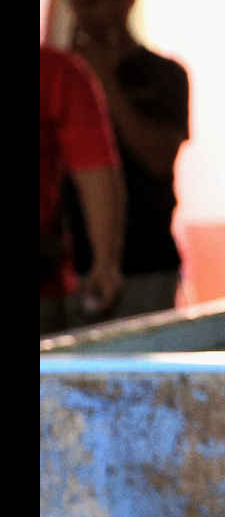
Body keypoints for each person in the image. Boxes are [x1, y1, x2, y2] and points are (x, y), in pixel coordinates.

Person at [63, 0, 188, 320]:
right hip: (71, 268)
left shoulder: (164, 75)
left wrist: (101, 83)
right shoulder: (61, 81)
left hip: (146, 262)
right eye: (76, 4)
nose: (83, 17)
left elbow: (158, 159)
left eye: (94, 3)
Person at [39, 44, 124, 336]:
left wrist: (104, 262)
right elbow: (95, 167)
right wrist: (105, 262)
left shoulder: (56, 72)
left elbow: (95, 168)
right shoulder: (57, 71)